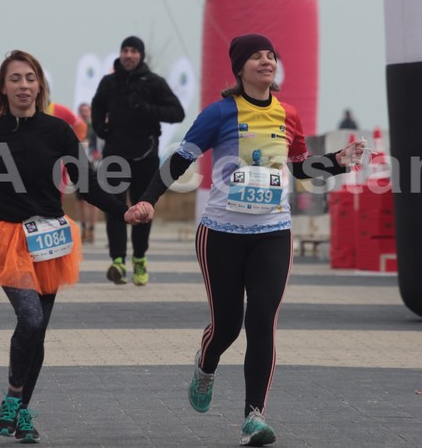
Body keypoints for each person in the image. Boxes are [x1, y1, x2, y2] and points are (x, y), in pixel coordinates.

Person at [132, 34, 364, 446]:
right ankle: (206, 365)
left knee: (261, 321)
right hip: (220, 234)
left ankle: (253, 416)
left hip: (272, 232)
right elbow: (181, 159)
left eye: (271, 55)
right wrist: (148, 201)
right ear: (239, 69)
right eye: (256, 56)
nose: (266, 61)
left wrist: (336, 162)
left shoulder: (288, 114)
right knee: (227, 327)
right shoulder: (219, 112)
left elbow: (298, 168)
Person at [0, 50, 144, 443]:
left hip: (51, 240)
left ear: (40, 85)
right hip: (6, 239)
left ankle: (20, 414)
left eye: (30, 78)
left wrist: (122, 212)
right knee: (31, 319)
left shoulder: (58, 132)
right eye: (15, 79)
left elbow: (86, 185)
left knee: (37, 332)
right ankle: (12, 399)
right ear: (4, 88)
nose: (24, 85)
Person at [91, 35, 185, 286]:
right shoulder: (109, 82)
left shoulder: (154, 83)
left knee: (143, 209)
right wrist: (100, 128)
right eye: (125, 50)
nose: (128, 55)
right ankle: (118, 261)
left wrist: (146, 108)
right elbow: (97, 107)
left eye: (133, 51)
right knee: (115, 208)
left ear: (140, 55)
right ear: (120, 54)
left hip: (145, 156)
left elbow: (177, 112)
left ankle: (140, 259)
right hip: (115, 155)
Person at [75, 102, 101, 243]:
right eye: (82, 110)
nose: (85, 113)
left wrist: (98, 153)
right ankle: (83, 227)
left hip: (94, 166)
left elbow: (101, 145)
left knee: (93, 201)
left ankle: (92, 229)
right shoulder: (76, 128)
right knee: (80, 201)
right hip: (78, 166)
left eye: (87, 110)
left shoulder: (95, 128)